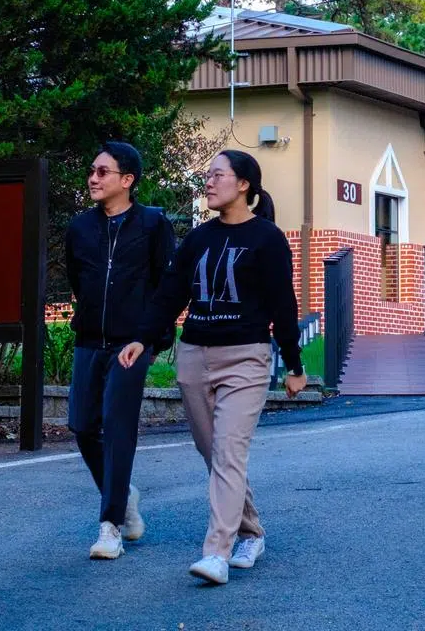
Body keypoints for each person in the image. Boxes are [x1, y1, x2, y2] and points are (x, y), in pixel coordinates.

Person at [123, 149, 305, 586]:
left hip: (246, 357)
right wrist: (143, 337)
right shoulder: (199, 238)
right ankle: (252, 532)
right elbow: (170, 295)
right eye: (207, 176)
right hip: (194, 355)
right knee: (214, 454)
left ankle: (216, 553)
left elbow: (284, 303)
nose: (208, 182)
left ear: (243, 184)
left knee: (228, 452)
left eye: (217, 175)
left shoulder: (267, 238)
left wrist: (294, 364)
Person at [65, 142, 177, 561]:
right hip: (90, 340)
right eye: (92, 170)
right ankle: (123, 493)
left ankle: (110, 525)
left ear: (127, 180)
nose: (93, 178)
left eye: (103, 172)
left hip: (132, 345)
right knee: (81, 425)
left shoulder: (152, 224)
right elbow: (79, 280)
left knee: (118, 428)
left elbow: (167, 288)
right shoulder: (79, 228)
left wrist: (150, 340)